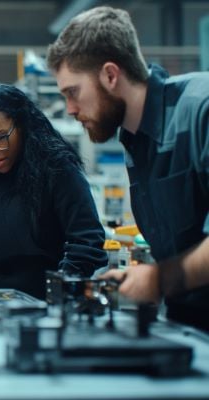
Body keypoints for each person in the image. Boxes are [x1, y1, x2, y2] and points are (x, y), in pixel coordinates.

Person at [47, 6, 209, 331]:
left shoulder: (199, 109)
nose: (70, 109)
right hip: (189, 328)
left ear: (110, 75)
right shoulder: (135, 141)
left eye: (73, 92)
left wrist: (159, 278)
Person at [0, 83, 107, 299]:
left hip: (50, 305)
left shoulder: (58, 170)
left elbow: (87, 241)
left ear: (21, 125)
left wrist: (57, 292)